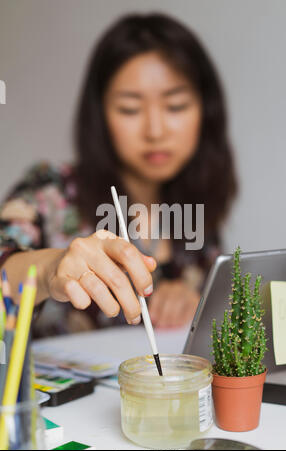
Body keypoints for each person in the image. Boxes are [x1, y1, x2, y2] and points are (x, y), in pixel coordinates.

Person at [0, 12, 238, 337]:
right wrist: (49, 270)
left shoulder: (197, 202)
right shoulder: (49, 192)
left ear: (206, 111)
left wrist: (194, 303)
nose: (155, 131)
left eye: (176, 106)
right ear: (100, 116)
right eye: (130, 109)